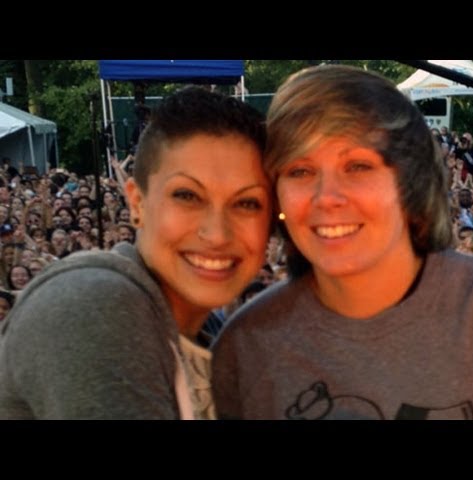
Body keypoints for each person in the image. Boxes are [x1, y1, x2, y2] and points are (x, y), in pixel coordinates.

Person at [211, 65, 473, 420]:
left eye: (357, 166)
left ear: (410, 183)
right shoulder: (248, 343)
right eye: (300, 170)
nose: (326, 197)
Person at [0, 86, 272, 419]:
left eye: (247, 203)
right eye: (187, 196)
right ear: (136, 202)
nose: (217, 234)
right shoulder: (94, 303)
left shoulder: (209, 339)